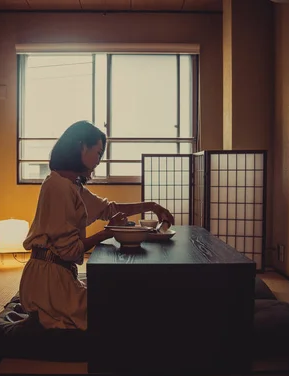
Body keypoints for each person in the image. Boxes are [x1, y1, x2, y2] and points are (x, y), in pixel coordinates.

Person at [19, 121, 174, 330]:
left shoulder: (72, 185)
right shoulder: (58, 187)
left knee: (124, 297)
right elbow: (69, 251)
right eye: (98, 153)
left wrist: (152, 206)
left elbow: (109, 209)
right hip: (47, 286)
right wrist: (107, 232)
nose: (99, 160)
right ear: (82, 147)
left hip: (57, 278)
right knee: (122, 310)